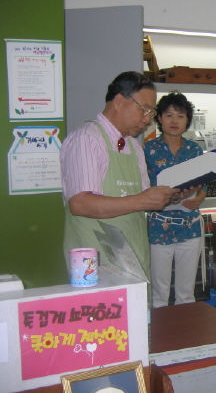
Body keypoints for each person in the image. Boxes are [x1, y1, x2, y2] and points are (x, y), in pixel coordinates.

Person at [60, 71, 183, 279]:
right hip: (95, 265)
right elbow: (80, 204)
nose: (147, 119)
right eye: (144, 109)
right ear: (118, 101)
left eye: (151, 112)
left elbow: (141, 199)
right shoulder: (87, 139)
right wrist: (142, 200)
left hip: (134, 257)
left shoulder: (133, 146)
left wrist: (167, 197)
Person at [145, 91, 207, 308]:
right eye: (169, 115)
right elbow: (142, 187)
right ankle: (160, 329)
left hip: (189, 225)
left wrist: (199, 199)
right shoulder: (147, 150)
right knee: (159, 291)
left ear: (187, 120)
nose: (174, 121)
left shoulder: (194, 150)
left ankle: (186, 328)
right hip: (159, 225)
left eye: (180, 116)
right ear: (159, 118)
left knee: (186, 292)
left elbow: (203, 185)